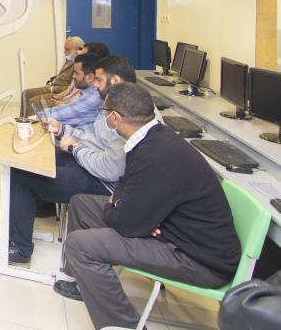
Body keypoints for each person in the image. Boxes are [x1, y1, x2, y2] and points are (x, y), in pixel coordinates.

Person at [58, 82, 240, 330]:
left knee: (80, 245)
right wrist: (129, 211)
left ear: (116, 118)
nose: (104, 118)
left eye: (105, 113)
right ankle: (81, 282)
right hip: (173, 231)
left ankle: (124, 325)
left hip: (197, 259)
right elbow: (124, 184)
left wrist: (121, 210)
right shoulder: (149, 137)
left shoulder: (157, 154)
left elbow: (126, 224)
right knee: (82, 204)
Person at [0, 55, 138, 263]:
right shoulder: (115, 102)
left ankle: (19, 248)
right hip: (93, 164)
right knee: (28, 161)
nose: (94, 85)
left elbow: (111, 170)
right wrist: (62, 129)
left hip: (105, 184)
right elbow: (92, 137)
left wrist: (75, 149)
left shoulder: (128, 113)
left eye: (99, 80)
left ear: (116, 80)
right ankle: (15, 222)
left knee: (24, 178)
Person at [21, 36, 84, 117]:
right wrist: (50, 83)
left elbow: (69, 87)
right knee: (26, 93)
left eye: (67, 49)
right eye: (64, 49)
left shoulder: (78, 66)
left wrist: (52, 89)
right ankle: (22, 119)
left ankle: (30, 121)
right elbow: (59, 76)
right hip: (53, 87)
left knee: (33, 101)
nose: (64, 51)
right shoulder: (69, 60)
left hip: (58, 92)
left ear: (78, 50)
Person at [36, 52, 103, 127]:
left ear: (90, 77)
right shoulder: (87, 92)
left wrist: (38, 116)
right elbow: (66, 112)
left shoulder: (93, 96)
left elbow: (53, 115)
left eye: (76, 73)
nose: (73, 76)